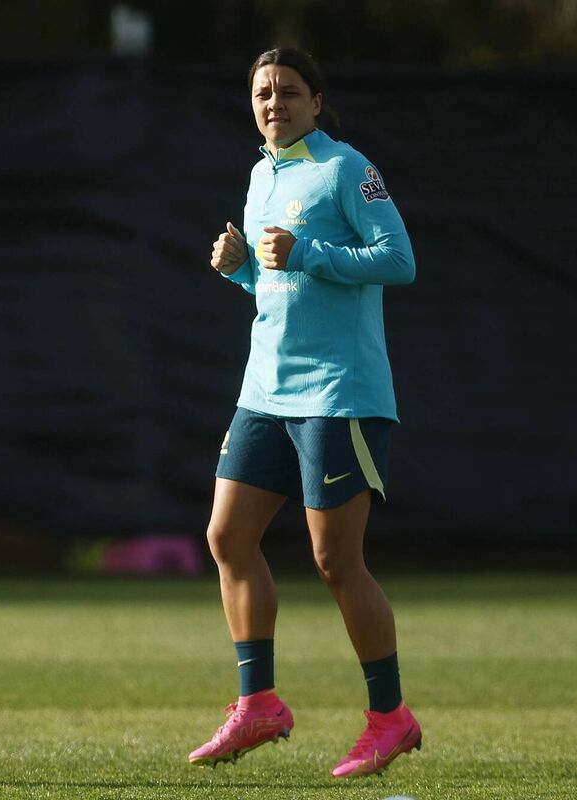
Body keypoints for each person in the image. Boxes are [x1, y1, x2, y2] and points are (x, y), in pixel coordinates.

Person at [187, 47, 421, 779]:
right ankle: (258, 704)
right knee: (226, 536)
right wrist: (241, 271)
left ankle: (391, 718)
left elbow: (398, 259)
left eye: (288, 92)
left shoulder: (347, 168)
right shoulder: (263, 175)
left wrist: (312, 250)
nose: (274, 103)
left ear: (318, 101)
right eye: (262, 92)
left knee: (334, 560)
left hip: (338, 393)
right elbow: (275, 286)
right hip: (265, 390)